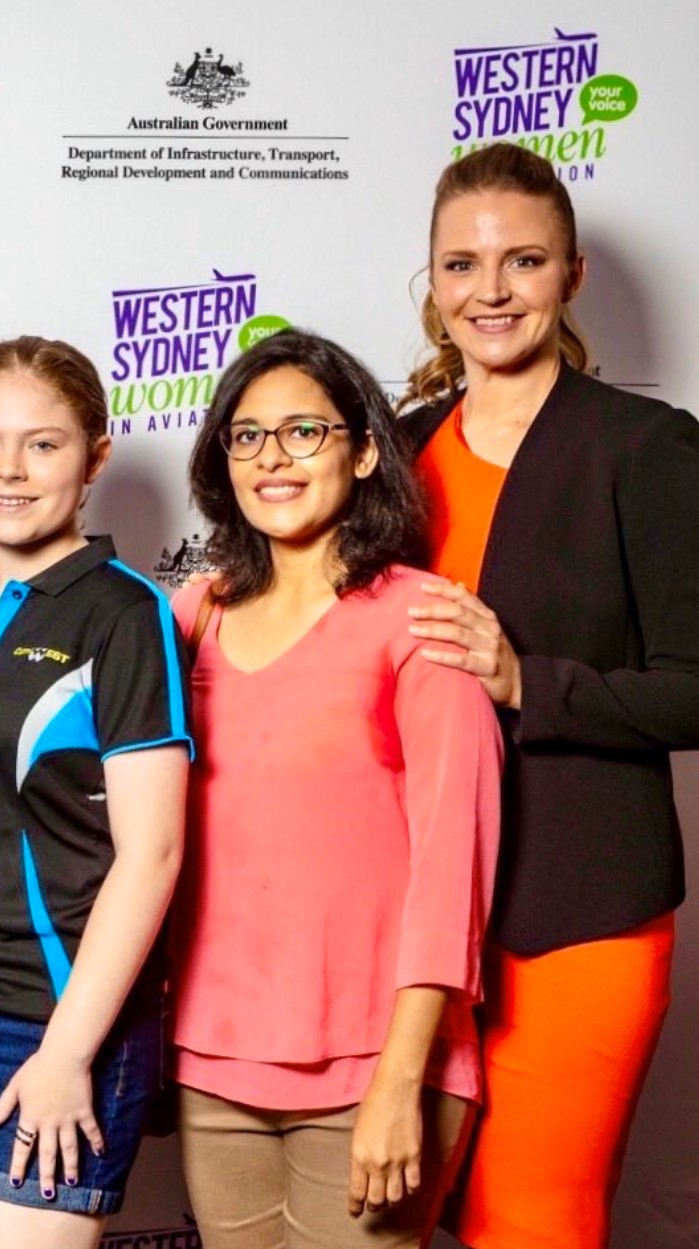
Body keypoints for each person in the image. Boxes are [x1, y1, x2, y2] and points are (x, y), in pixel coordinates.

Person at [397, 142, 699, 1249]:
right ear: (430, 283)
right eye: (462, 265)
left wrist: (531, 680)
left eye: (523, 261)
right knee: (393, 1219)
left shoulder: (647, 448)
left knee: (531, 1220)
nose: (491, 291)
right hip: (419, 915)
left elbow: (695, 689)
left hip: (578, 913)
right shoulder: (397, 453)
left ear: (570, 276)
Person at [171, 329, 502, 1248]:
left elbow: (452, 867)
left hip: (375, 1061)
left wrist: (402, 1078)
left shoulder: (419, 618)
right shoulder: (189, 615)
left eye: (303, 432)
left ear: (361, 451)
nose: (271, 457)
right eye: (246, 436)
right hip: (213, 1058)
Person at [0, 337, 191, 1249]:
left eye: (42, 445)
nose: (7, 470)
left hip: (46, 1015)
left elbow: (153, 852)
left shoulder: (125, 616)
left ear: (93, 458)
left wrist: (67, 1052)